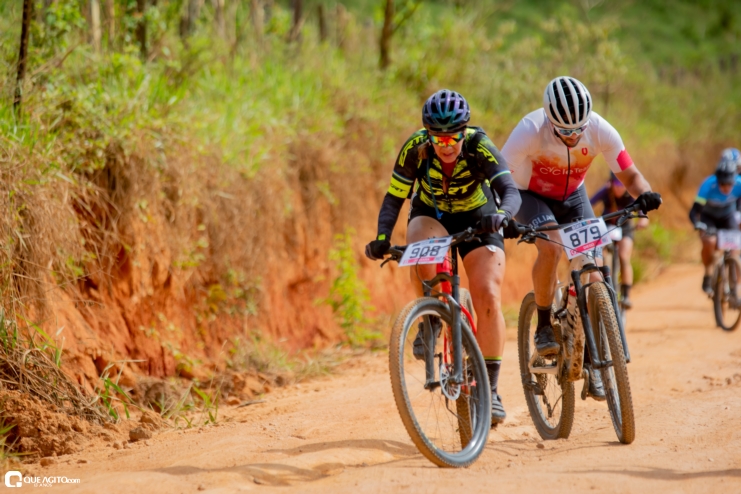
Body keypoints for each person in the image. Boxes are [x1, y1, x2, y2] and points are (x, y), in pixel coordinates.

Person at [365, 89, 521, 424]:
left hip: (479, 217)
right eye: (438, 139)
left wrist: (503, 215)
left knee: (488, 295)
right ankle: (431, 316)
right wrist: (381, 237)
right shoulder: (415, 148)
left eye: (453, 138)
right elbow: (394, 198)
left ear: (464, 132)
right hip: (431, 214)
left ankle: (491, 390)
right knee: (419, 252)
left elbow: (509, 190)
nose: (446, 146)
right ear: (428, 135)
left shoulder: (479, 145)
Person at [501, 76, 662, 400]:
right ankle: (543, 324)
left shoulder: (601, 129)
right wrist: (502, 215)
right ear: (549, 119)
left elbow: (629, 173)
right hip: (530, 197)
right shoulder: (529, 130)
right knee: (550, 246)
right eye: (565, 131)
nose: (574, 136)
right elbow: (500, 178)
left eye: (579, 129)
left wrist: (644, 192)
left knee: (594, 268)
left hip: (573, 197)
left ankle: (593, 358)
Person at [590, 173, 649, 308]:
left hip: (625, 227)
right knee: (600, 255)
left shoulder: (630, 193)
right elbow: (589, 203)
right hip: (606, 226)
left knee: (623, 256)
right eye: (616, 184)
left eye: (622, 185)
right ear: (611, 183)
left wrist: (642, 220)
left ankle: (626, 295)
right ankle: (602, 288)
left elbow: (641, 209)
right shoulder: (605, 190)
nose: (619, 188)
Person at [689, 148, 741, 295]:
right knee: (709, 242)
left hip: (727, 216)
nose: (726, 188)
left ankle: (736, 287)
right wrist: (697, 223)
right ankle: (708, 272)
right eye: (722, 184)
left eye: (729, 184)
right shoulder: (708, 184)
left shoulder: (739, 183)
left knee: (735, 250)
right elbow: (695, 210)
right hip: (709, 217)